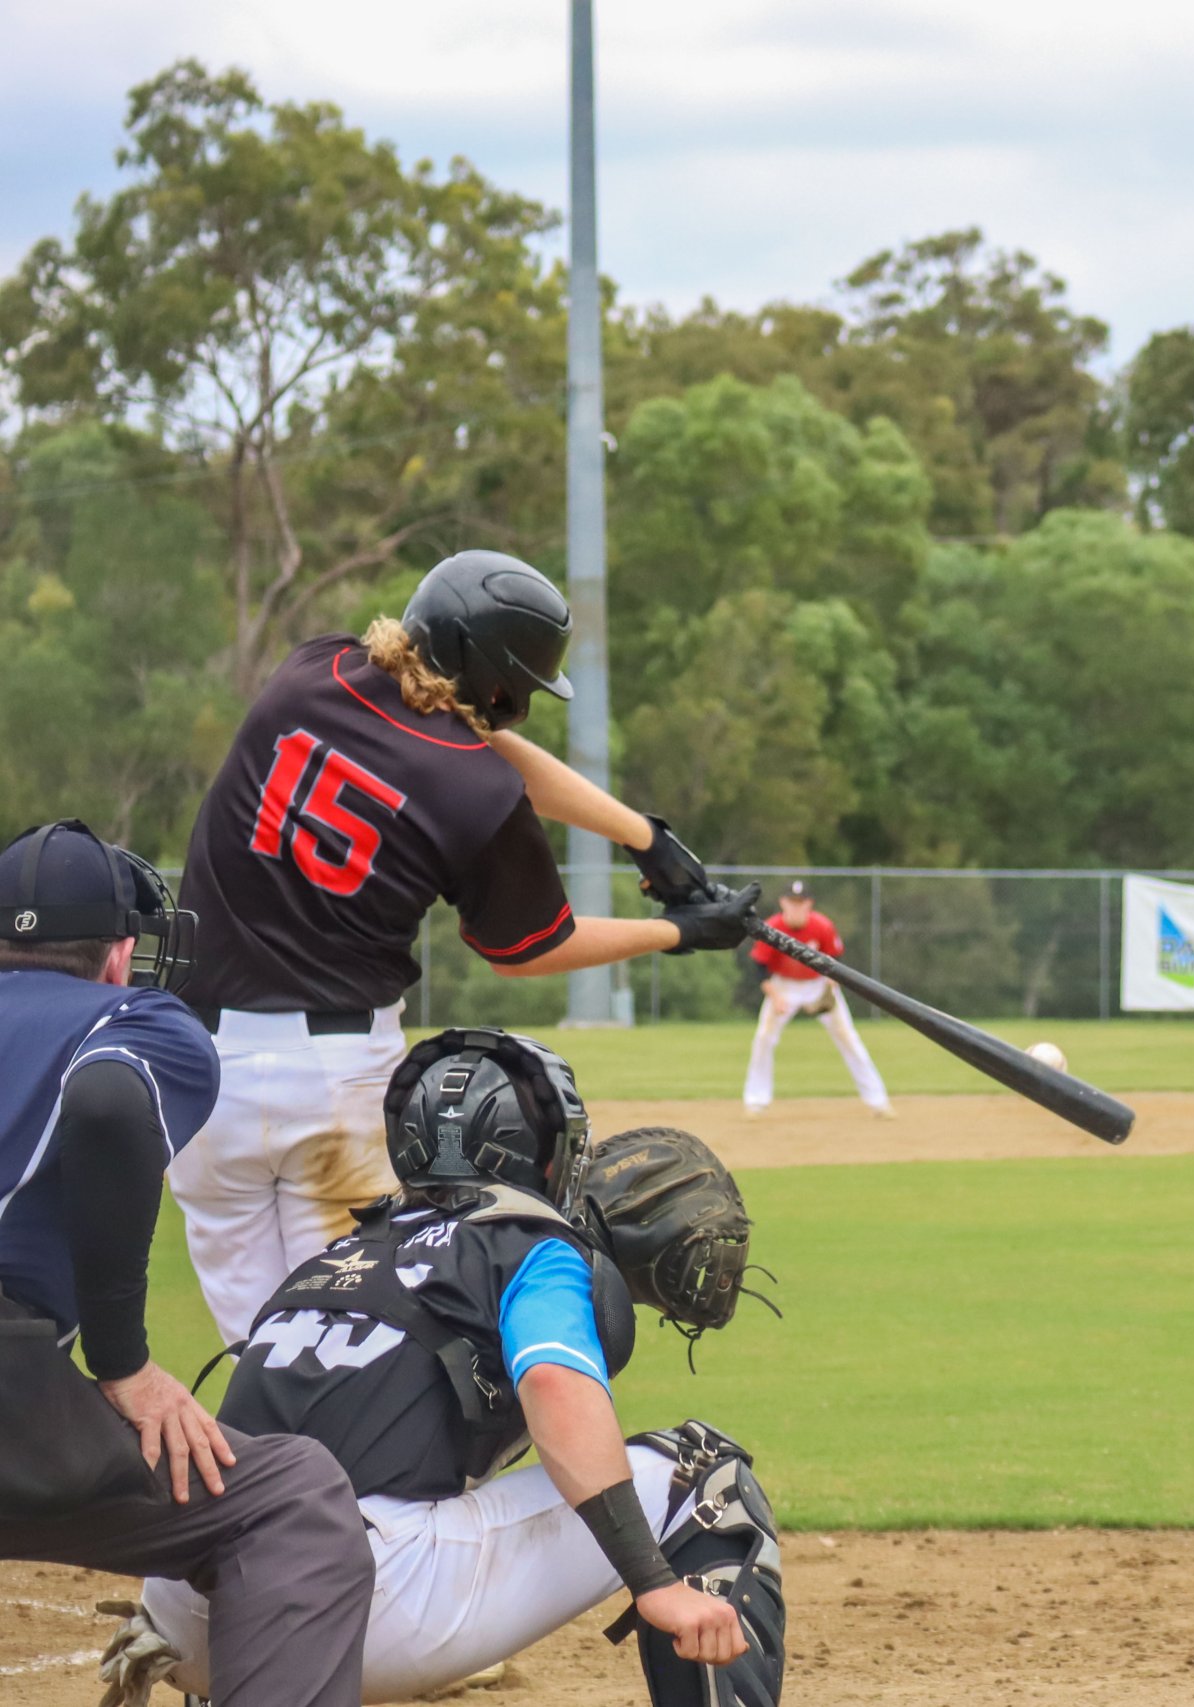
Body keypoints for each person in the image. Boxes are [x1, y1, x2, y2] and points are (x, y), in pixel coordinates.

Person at [171, 548, 763, 1344]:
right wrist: (680, 930)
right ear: (495, 681)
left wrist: (642, 835)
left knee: (255, 1353)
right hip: (334, 1083)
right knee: (354, 1349)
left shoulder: (312, 670)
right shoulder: (476, 791)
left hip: (201, 1074)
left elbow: (467, 743)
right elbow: (531, 946)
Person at [113, 1028, 785, 1707]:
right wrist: (654, 1582)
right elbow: (553, 1384)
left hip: (185, 1601)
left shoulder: (342, 1253)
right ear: (552, 1156)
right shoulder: (531, 1244)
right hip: (347, 1602)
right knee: (706, 1476)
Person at [0, 821, 372, 1707]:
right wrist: (123, 1363)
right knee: (291, 1498)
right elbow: (106, 1099)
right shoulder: (134, 1017)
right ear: (120, 953)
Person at [745, 880, 892, 1117]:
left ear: (809, 904)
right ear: (783, 902)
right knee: (763, 1038)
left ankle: (878, 1101)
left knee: (848, 1037)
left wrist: (830, 988)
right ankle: (756, 1101)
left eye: (801, 902)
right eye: (792, 901)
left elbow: (835, 962)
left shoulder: (822, 925)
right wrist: (775, 997)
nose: (796, 906)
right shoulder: (771, 927)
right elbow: (759, 969)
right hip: (783, 986)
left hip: (817, 983)